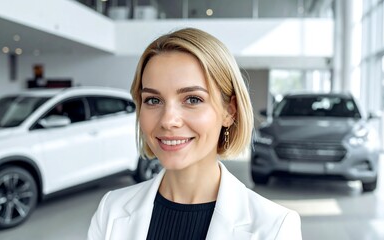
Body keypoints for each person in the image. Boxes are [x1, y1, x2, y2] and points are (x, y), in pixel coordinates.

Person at [87, 28, 302, 240]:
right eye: (153, 100)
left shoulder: (275, 227)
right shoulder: (111, 211)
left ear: (230, 111)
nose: (168, 120)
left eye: (192, 99)